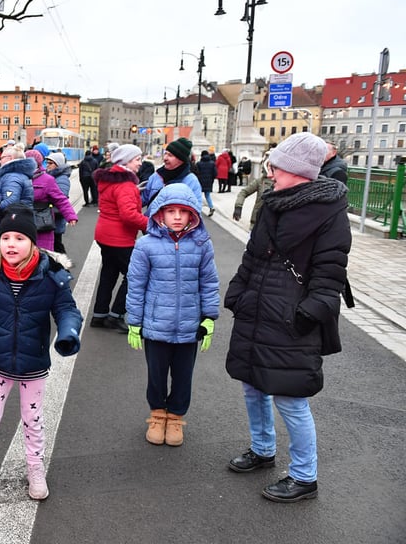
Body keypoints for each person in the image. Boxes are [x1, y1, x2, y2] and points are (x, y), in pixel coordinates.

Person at [224, 132, 351, 503]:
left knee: (291, 399)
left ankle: (304, 477)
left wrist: (306, 316)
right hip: (257, 311)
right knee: (252, 385)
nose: (271, 170)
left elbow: (330, 277)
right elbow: (252, 256)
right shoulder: (274, 201)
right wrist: (238, 294)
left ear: (295, 170)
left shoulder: (329, 213)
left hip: (291, 319)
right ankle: (262, 451)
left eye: (276, 165)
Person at [0, 206, 82, 508]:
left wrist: (67, 332)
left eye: (19, 237)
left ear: (33, 242)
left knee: (33, 421)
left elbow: (66, 310)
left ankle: (35, 471)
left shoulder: (52, 277)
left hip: (33, 366)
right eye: (5, 237)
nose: (11, 244)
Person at [127, 183, 220, 446]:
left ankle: (176, 416)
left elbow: (209, 282)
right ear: (159, 214)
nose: (177, 216)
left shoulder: (202, 244)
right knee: (156, 374)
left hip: (189, 326)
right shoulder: (146, 245)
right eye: (171, 211)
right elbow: (136, 285)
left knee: (183, 375)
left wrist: (209, 317)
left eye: (183, 211)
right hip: (156, 324)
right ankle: (157, 414)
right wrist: (135, 321)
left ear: (193, 215)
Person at [90, 144, 148, 331]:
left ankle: (99, 315)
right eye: (137, 159)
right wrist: (152, 224)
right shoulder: (125, 185)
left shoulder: (110, 181)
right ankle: (116, 315)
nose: (140, 163)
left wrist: (135, 192)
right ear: (126, 161)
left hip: (104, 234)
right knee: (136, 275)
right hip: (119, 238)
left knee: (109, 273)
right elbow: (128, 215)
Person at [27, 149, 77, 252]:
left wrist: (70, 215)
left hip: (42, 223)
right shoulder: (21, 177)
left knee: (44, 255)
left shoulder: (47, 179)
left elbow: (61, 199)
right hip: (25, 222)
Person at [0, 146, 35, 246]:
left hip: (8, 224)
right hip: (14, 223)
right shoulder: (17, 175)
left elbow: (9, 203)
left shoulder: (12, 177)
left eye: (2, 158)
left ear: (10, 158)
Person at [141, 137, 201, 211]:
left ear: (181, 159)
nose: (165, 158)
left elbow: (196, 210)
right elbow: (142, 200)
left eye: (170, 155)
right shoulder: (156, 176)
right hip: (151, 221)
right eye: (165, 154)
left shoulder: (191, 181)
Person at [44, 152, 73, 254]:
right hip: (51, 219)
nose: (47, 165)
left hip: (55, 220)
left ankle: (63, 266)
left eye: (50, 163)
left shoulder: (62, 179)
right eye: (47, 163)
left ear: (58, 165)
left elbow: (60, 200)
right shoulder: (53, 177)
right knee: (55, 246)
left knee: (57, 247)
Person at [233, 164, 275, 230]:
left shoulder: (282, 183)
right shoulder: (260, 181)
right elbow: (244, 192)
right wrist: (238, 206)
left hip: (273, 224)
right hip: (256, 222)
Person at [195, 149, 218, 217]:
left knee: (199, 195)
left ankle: (198, 209)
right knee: (207, 195)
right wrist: (212, 179)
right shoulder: (212, 163)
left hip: (200, 181)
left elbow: (197, 173)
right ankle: (211, 207)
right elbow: (215, 173)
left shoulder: (199, 163)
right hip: (209, 181)